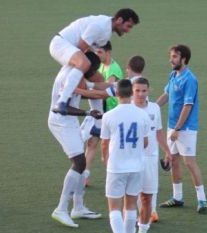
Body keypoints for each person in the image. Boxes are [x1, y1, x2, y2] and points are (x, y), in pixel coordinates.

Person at [48, 52, 103, 228]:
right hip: (61, 122)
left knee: (82, 162)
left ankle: (78, 207)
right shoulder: (71, 75)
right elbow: (61, 108)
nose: (94, 72)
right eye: (93, 69)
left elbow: (79, 94)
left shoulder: (73, 70)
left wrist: (101, 92)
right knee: (79, 162)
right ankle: (61, 209)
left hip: (69, 122)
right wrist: (87, 112)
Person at [49, 8, 139, 115]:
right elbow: (81, 47)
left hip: (72, 50)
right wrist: (81, 74)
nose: (128, 30)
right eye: (128, 26)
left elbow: (88, 53)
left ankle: (97, 125)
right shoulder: (99, 26)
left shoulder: (106, 33)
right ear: (119, 20)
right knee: (84, 63)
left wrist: (87, 77)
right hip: (60, 44)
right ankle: (62, 101)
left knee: (99, 78)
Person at [156, 45, 207, 213]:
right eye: (171, 56)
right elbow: (167, 94)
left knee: (189, 162)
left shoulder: (190, 79)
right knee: (174, 160)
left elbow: (188, 105)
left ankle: (202, 200)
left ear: (183, 59)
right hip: (173, 127)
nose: (171, 59)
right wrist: (153, 107)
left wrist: (177, 128)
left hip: (185, 128)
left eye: (174, 57)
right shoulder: (173, 75)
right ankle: (177, 197)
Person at [101, 79, 151, 233]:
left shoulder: (108, 116)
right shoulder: (142, 114)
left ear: (116, 93)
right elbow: (145, 142)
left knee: (114, 209)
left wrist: (106, 160)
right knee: (130, 206)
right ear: (131, 93)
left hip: (116, 166)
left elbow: (104, 143)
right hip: (136, 167)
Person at [133, 77, 172, 232]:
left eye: (144, 90)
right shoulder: (128, 108)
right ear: (132, 91)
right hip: (133, 156)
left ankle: (151, 213)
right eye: (137, 91)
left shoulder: (154, 108)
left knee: (150, 188)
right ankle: (142, 214)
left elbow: (159, 132)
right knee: (135, 189)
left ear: (149, 90)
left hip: (150, 155)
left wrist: (167, 151)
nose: (141, 94)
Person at [82, 41, 124, 187]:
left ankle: (116, 176)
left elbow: (106, 92)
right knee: (92, 143)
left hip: (112, 114)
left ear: (108, 52)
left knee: (111, 147)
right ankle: (84, 176)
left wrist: (85, 92)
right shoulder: (98, 66)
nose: (97, 55)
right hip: (102, 113)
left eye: (100, 52)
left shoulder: (114, 69)